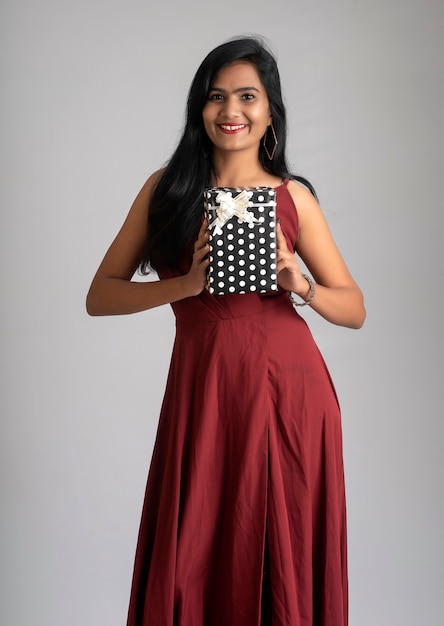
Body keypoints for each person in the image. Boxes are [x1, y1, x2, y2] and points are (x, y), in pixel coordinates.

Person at [86, 36, 365, 626]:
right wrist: (183, 286)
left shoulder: (293, 197)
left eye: (247, 96)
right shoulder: (167, 190)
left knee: (278, 547)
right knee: (196, 549)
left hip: (289, 395)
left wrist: (302, 285)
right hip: (204, 392)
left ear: (269, 112)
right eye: (217, 97)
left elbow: (354, 307)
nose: (230, 111)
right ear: (200, 109)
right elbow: (100, 295)